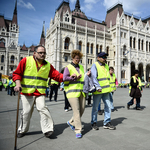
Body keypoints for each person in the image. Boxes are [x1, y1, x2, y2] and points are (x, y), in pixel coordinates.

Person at [13, 45, 63, 138]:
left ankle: (48, 129)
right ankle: (22, 129)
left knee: (43, 108)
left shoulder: (48, 65)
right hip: (27, 91)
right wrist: (18, 84)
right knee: (26, 112)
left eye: (44, 53)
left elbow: (57, 76)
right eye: (40, 53)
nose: (42, 54)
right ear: (34, 53)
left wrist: (68, 77)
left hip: (40, 92)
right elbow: (17, 73)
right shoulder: (26, 60)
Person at [91, 52, 116, 130]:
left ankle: (107, 122)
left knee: (108, 106)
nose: (105, 58)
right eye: (103, 57)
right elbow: (93, 77)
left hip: (106, 90)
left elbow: (108, 78)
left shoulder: (107, 66)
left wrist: (110, 87)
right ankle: (93, 122)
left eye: (105, 57)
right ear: (98, 57)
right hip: (98, 90)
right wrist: (98, 86)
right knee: (95, 107)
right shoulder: (95, 65)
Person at [63, 49, 85, 139]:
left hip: (81, 91)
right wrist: (73, 77)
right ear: (72, 58)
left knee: (82, 109)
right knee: (76, 111)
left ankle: (71, 122)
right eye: (76, 58)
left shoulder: (81, 67)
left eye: (79, 58)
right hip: (72, 92)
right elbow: (64, 78)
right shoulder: (68, 67)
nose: (78, 60)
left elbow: (83, 78)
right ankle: (78, 130)